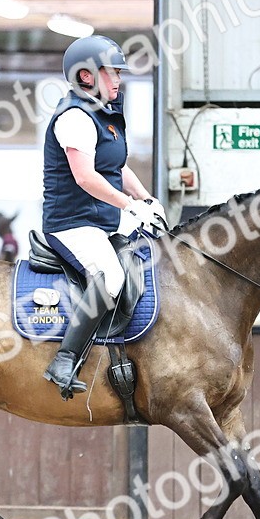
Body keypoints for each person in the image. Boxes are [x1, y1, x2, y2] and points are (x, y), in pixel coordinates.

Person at [41, 35, 164, 400]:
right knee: (110, 277)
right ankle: (64, 360)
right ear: (86, 77)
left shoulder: (105, 119)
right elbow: (85, 176)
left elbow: (116, 166)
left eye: (119, 74)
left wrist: (146, 198)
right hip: (70, 224)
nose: (118, 80)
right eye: (111, 73)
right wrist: (129, 206)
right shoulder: (75, 118)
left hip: (99, 223)